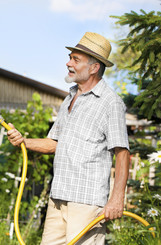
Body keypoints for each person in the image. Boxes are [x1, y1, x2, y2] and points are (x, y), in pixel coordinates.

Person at [7, 32, 130, 245]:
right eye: (70, 57)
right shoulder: (70, 98)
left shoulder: (110, 103)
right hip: (58, 197)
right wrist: (23, 141)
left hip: (87, 202)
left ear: (94, 68)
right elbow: (54, 143)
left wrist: (117, 198)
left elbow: (123, 153)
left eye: (75, 59)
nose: (68, 63)